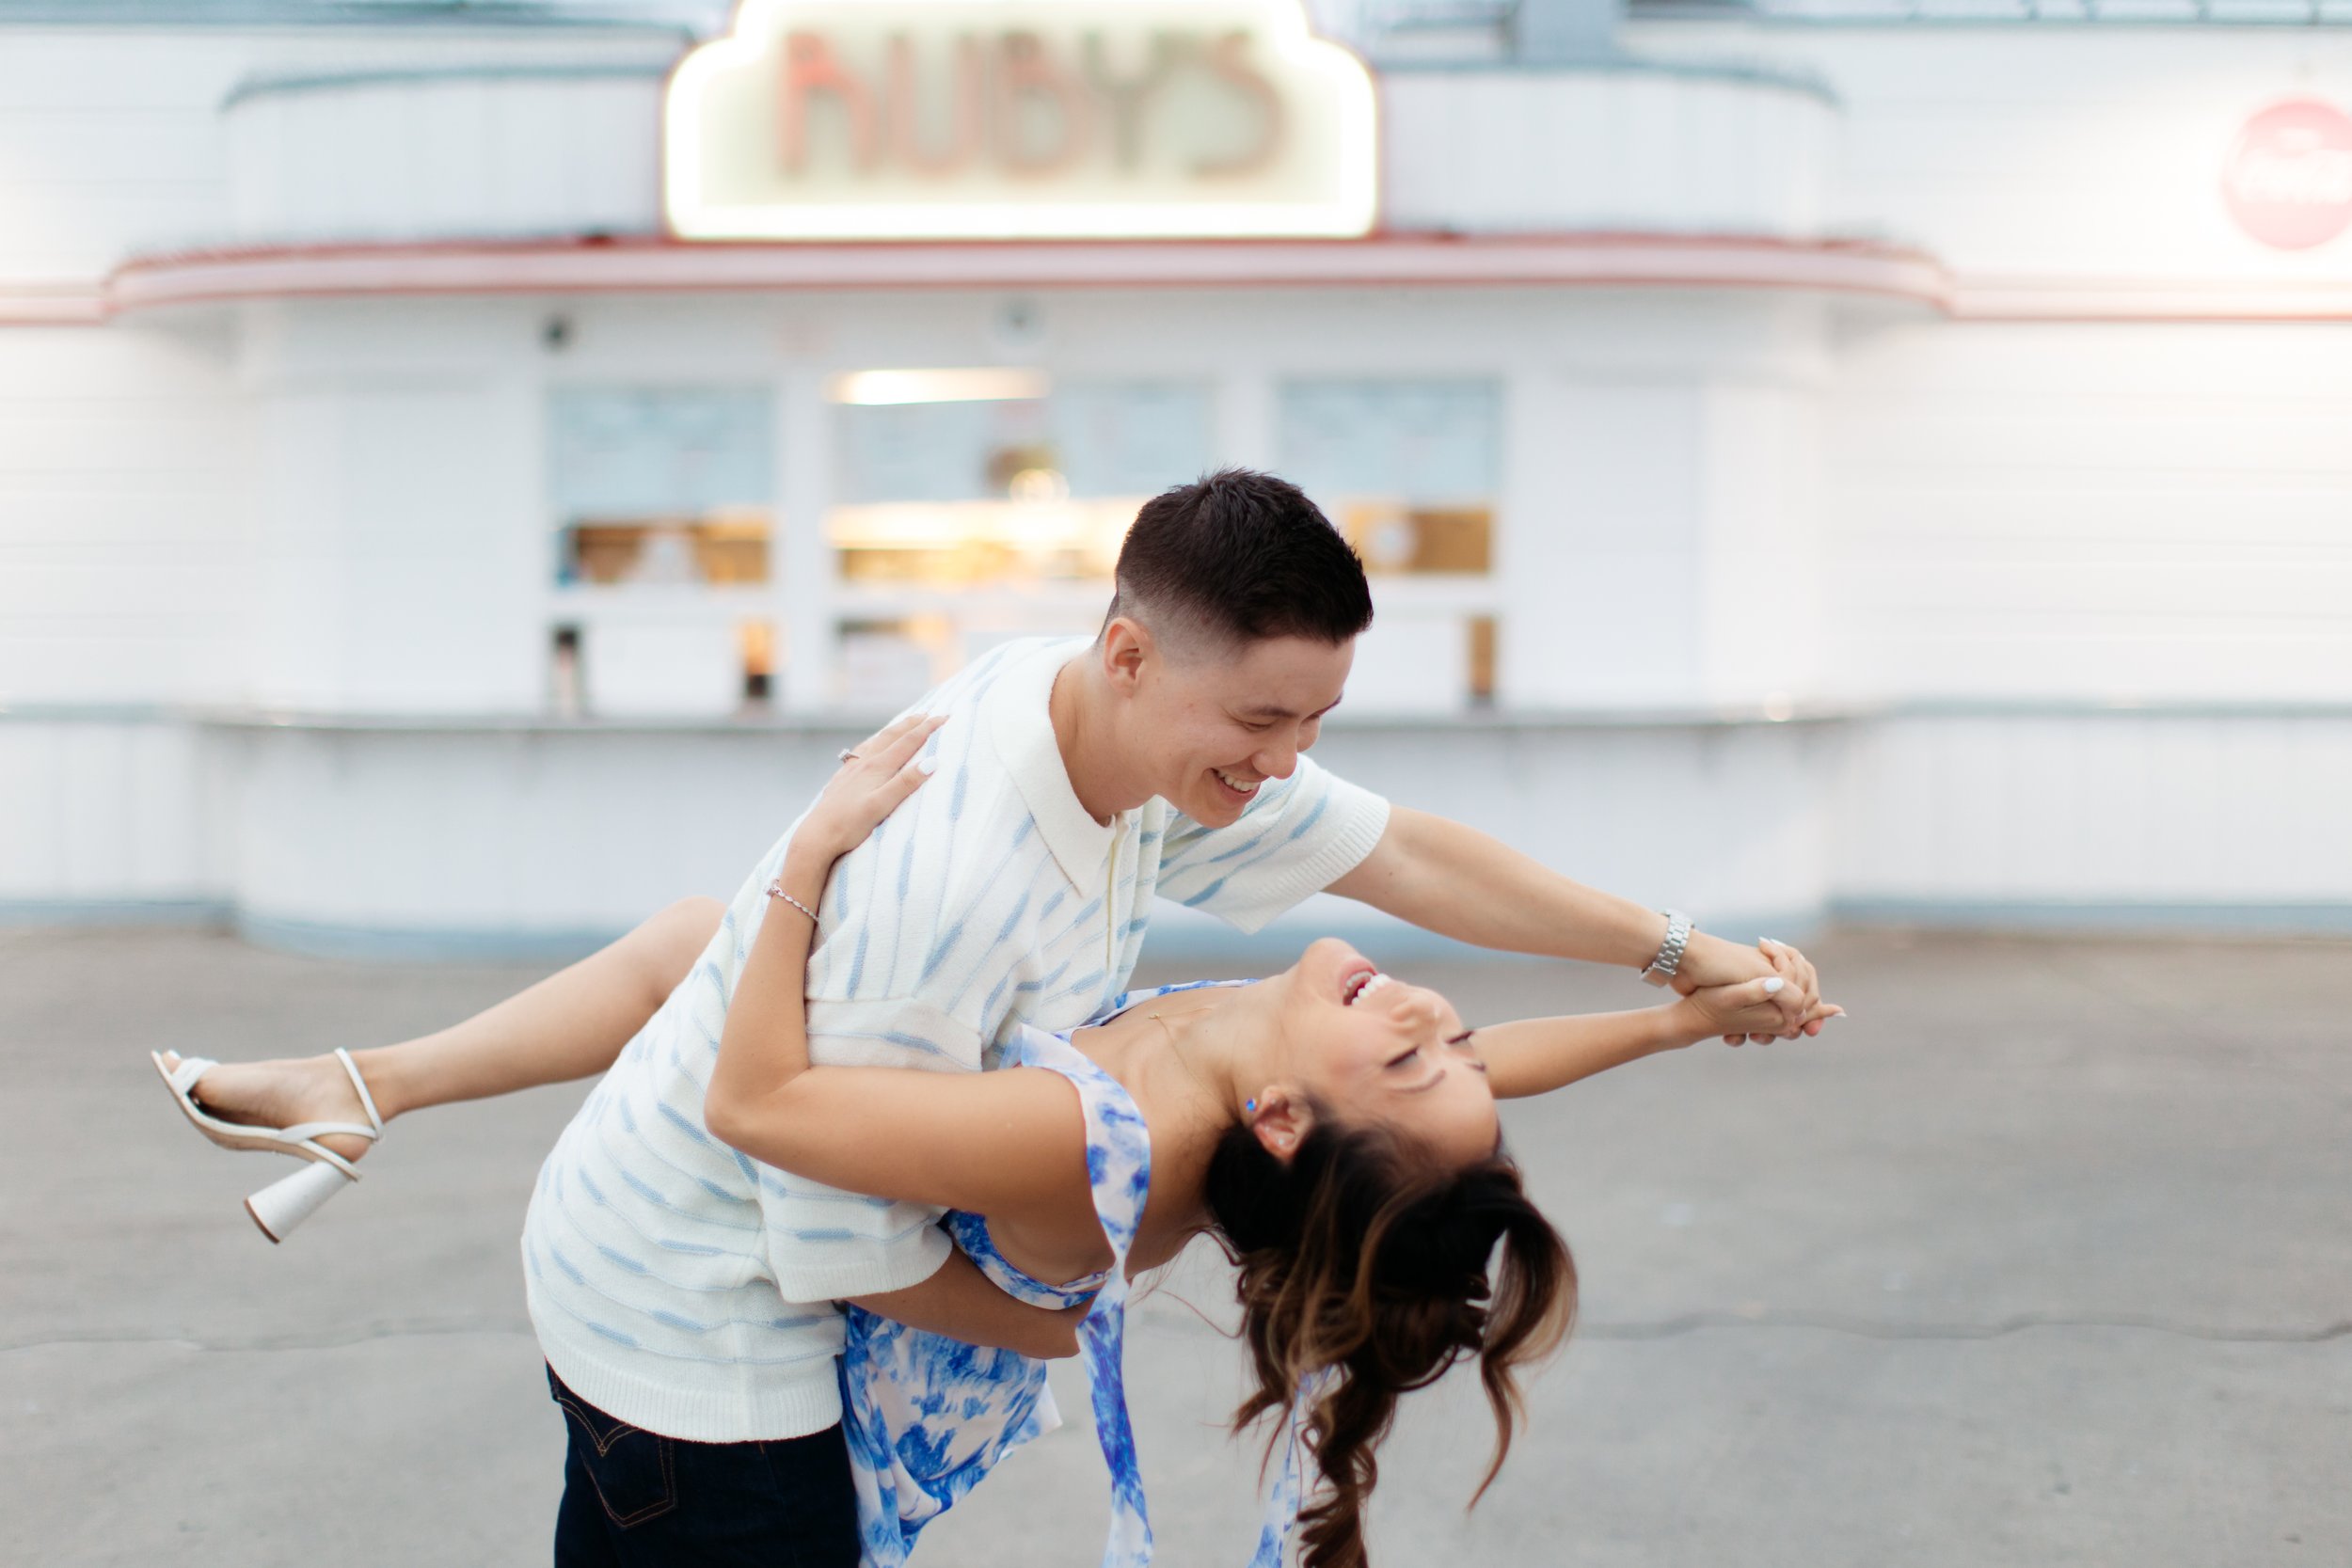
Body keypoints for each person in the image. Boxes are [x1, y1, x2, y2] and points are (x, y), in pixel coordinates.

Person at [155, 469, 1835, 1564]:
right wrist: (1678, 980)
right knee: (707, 934)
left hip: (730, 1318)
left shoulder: (1133, 770)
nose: (1288, 769)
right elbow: (825, 1220)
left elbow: (1409, 872)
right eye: (1262, 720)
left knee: (711, 933)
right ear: (1123, 652)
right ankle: (361, 1083)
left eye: (1314, 722)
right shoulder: (972, 895)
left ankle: (362, 1086)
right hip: (695, 1327)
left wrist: (1676, 962)